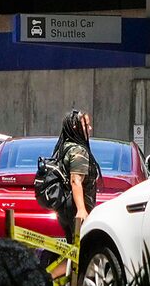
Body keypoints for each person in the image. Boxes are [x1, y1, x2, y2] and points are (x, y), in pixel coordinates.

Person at [35, 110, 101, 269]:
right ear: (75, 126)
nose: (90, 128)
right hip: (74, 209)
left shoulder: (65, 146)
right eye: (86, 124)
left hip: (65, 208)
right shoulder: (78, 150)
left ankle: (56, 282)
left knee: (73, 250)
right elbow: (75, 180)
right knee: (79, 252)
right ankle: (47, 280)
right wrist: (81, 210)